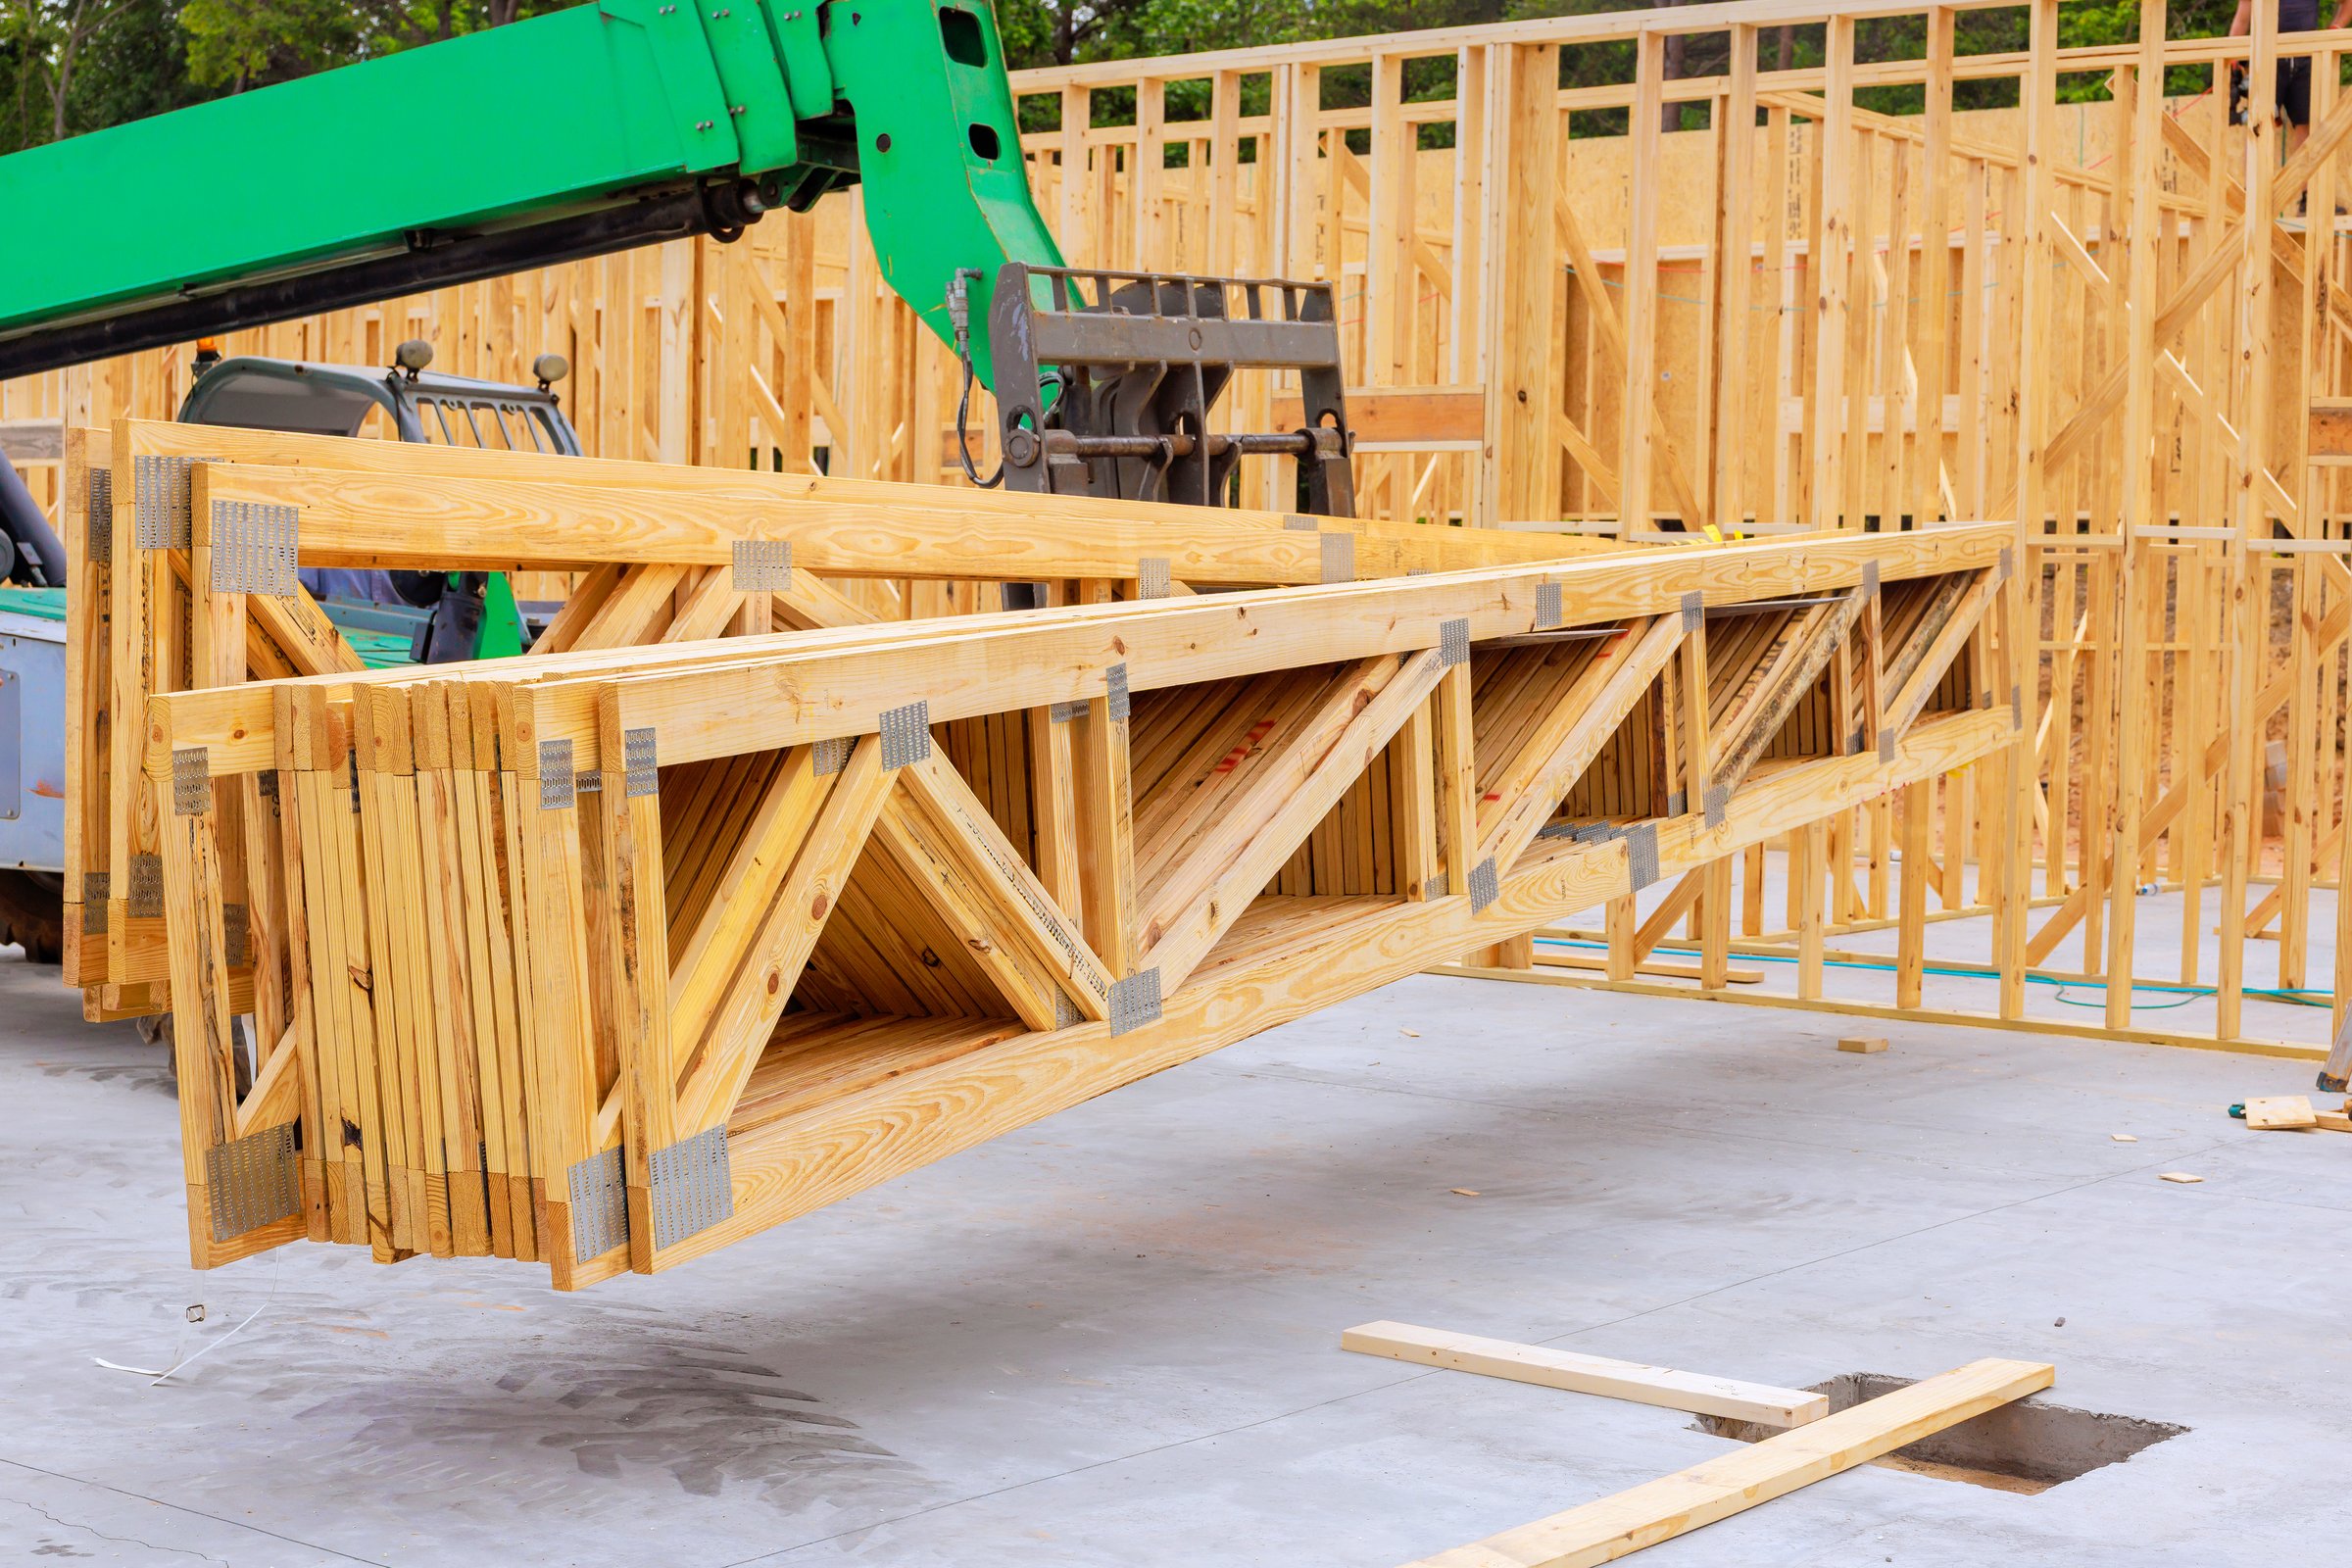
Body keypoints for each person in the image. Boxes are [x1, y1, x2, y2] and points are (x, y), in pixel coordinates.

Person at [2230, 0, 2352, 159]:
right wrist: (2231, 59)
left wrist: (2335, 28)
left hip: (2307, 56)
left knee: (2307, 124)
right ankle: (2253, 184)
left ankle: (2301, 183)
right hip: (2267, 58)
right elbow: (2242, 19)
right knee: (2260, 123)